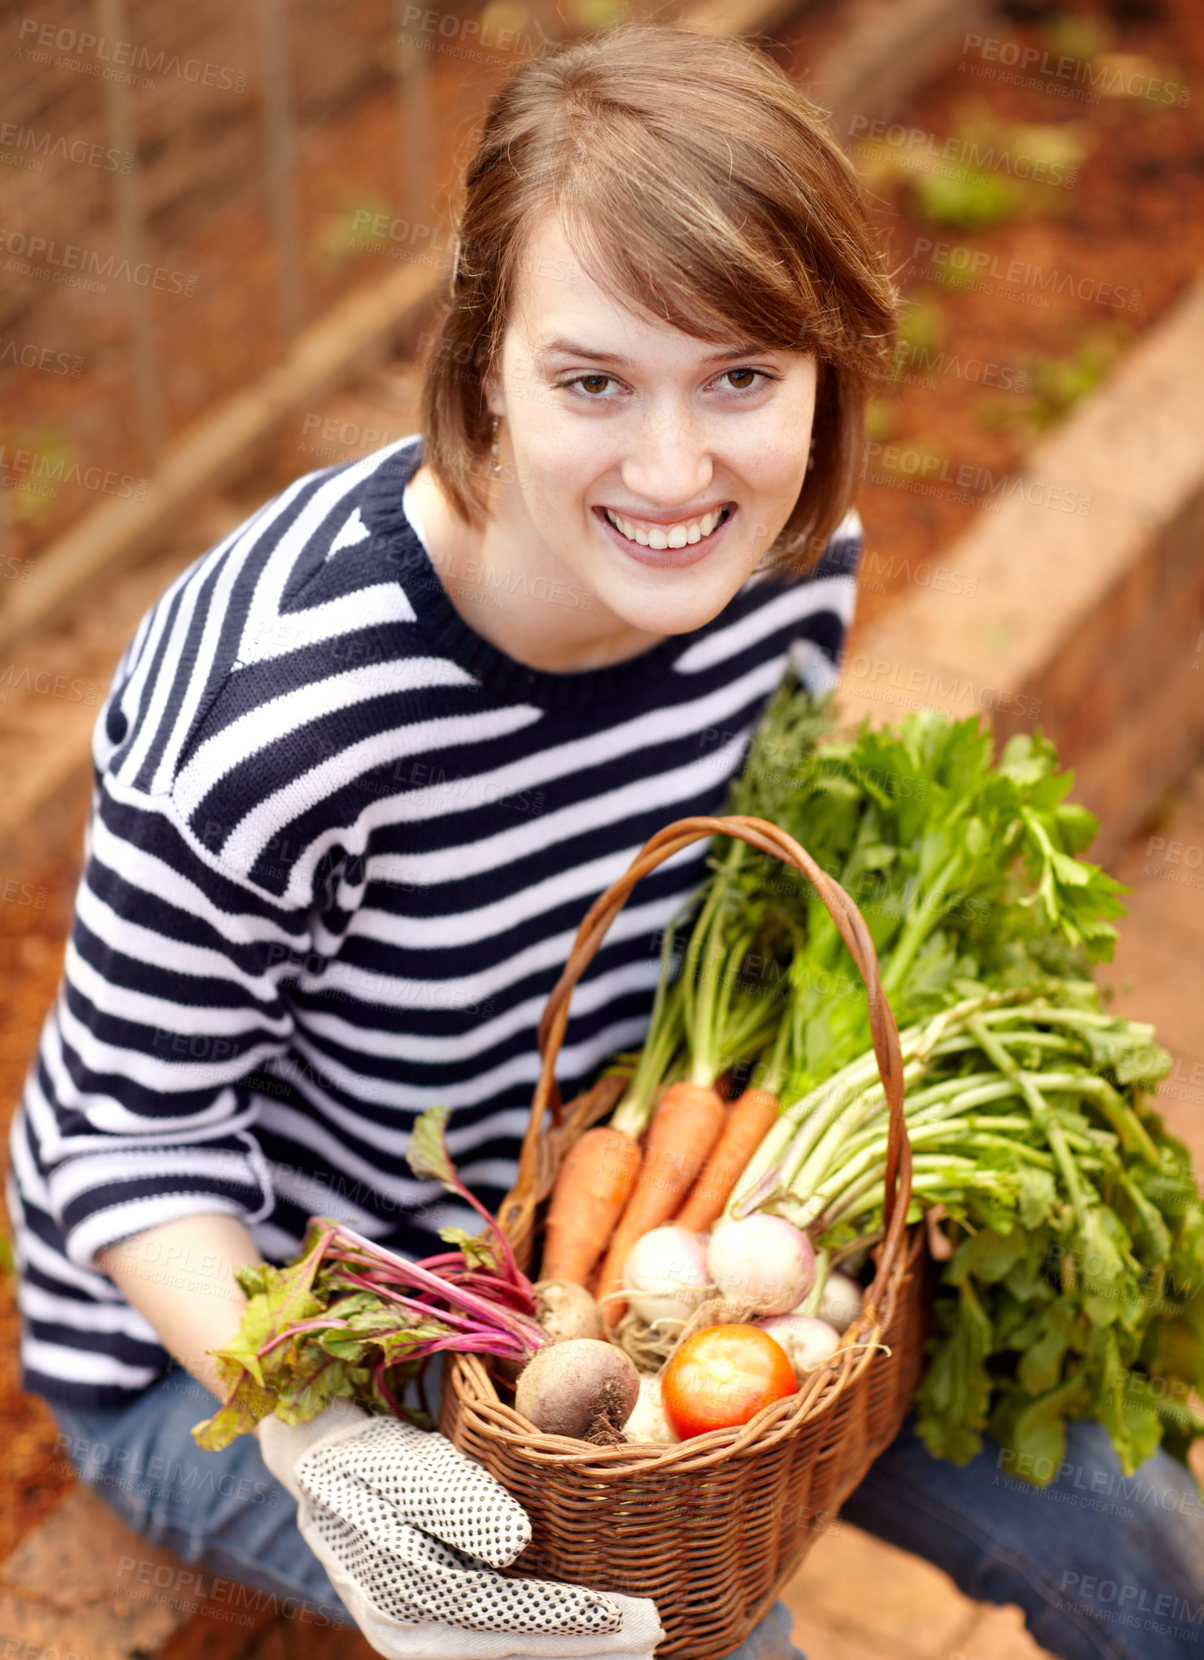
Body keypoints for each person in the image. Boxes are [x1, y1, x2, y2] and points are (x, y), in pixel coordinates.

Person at [8, 19, 1203, 1660]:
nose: (672, 471)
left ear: (824, 366)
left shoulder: (786, 557)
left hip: (620, 1266)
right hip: (237, 1337)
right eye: (593, 381)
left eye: (742, 377)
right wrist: (318, 1428)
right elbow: (125, 1153)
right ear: (479, 355)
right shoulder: (277, 709)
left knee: (1134, 1531)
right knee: (721, 1643)